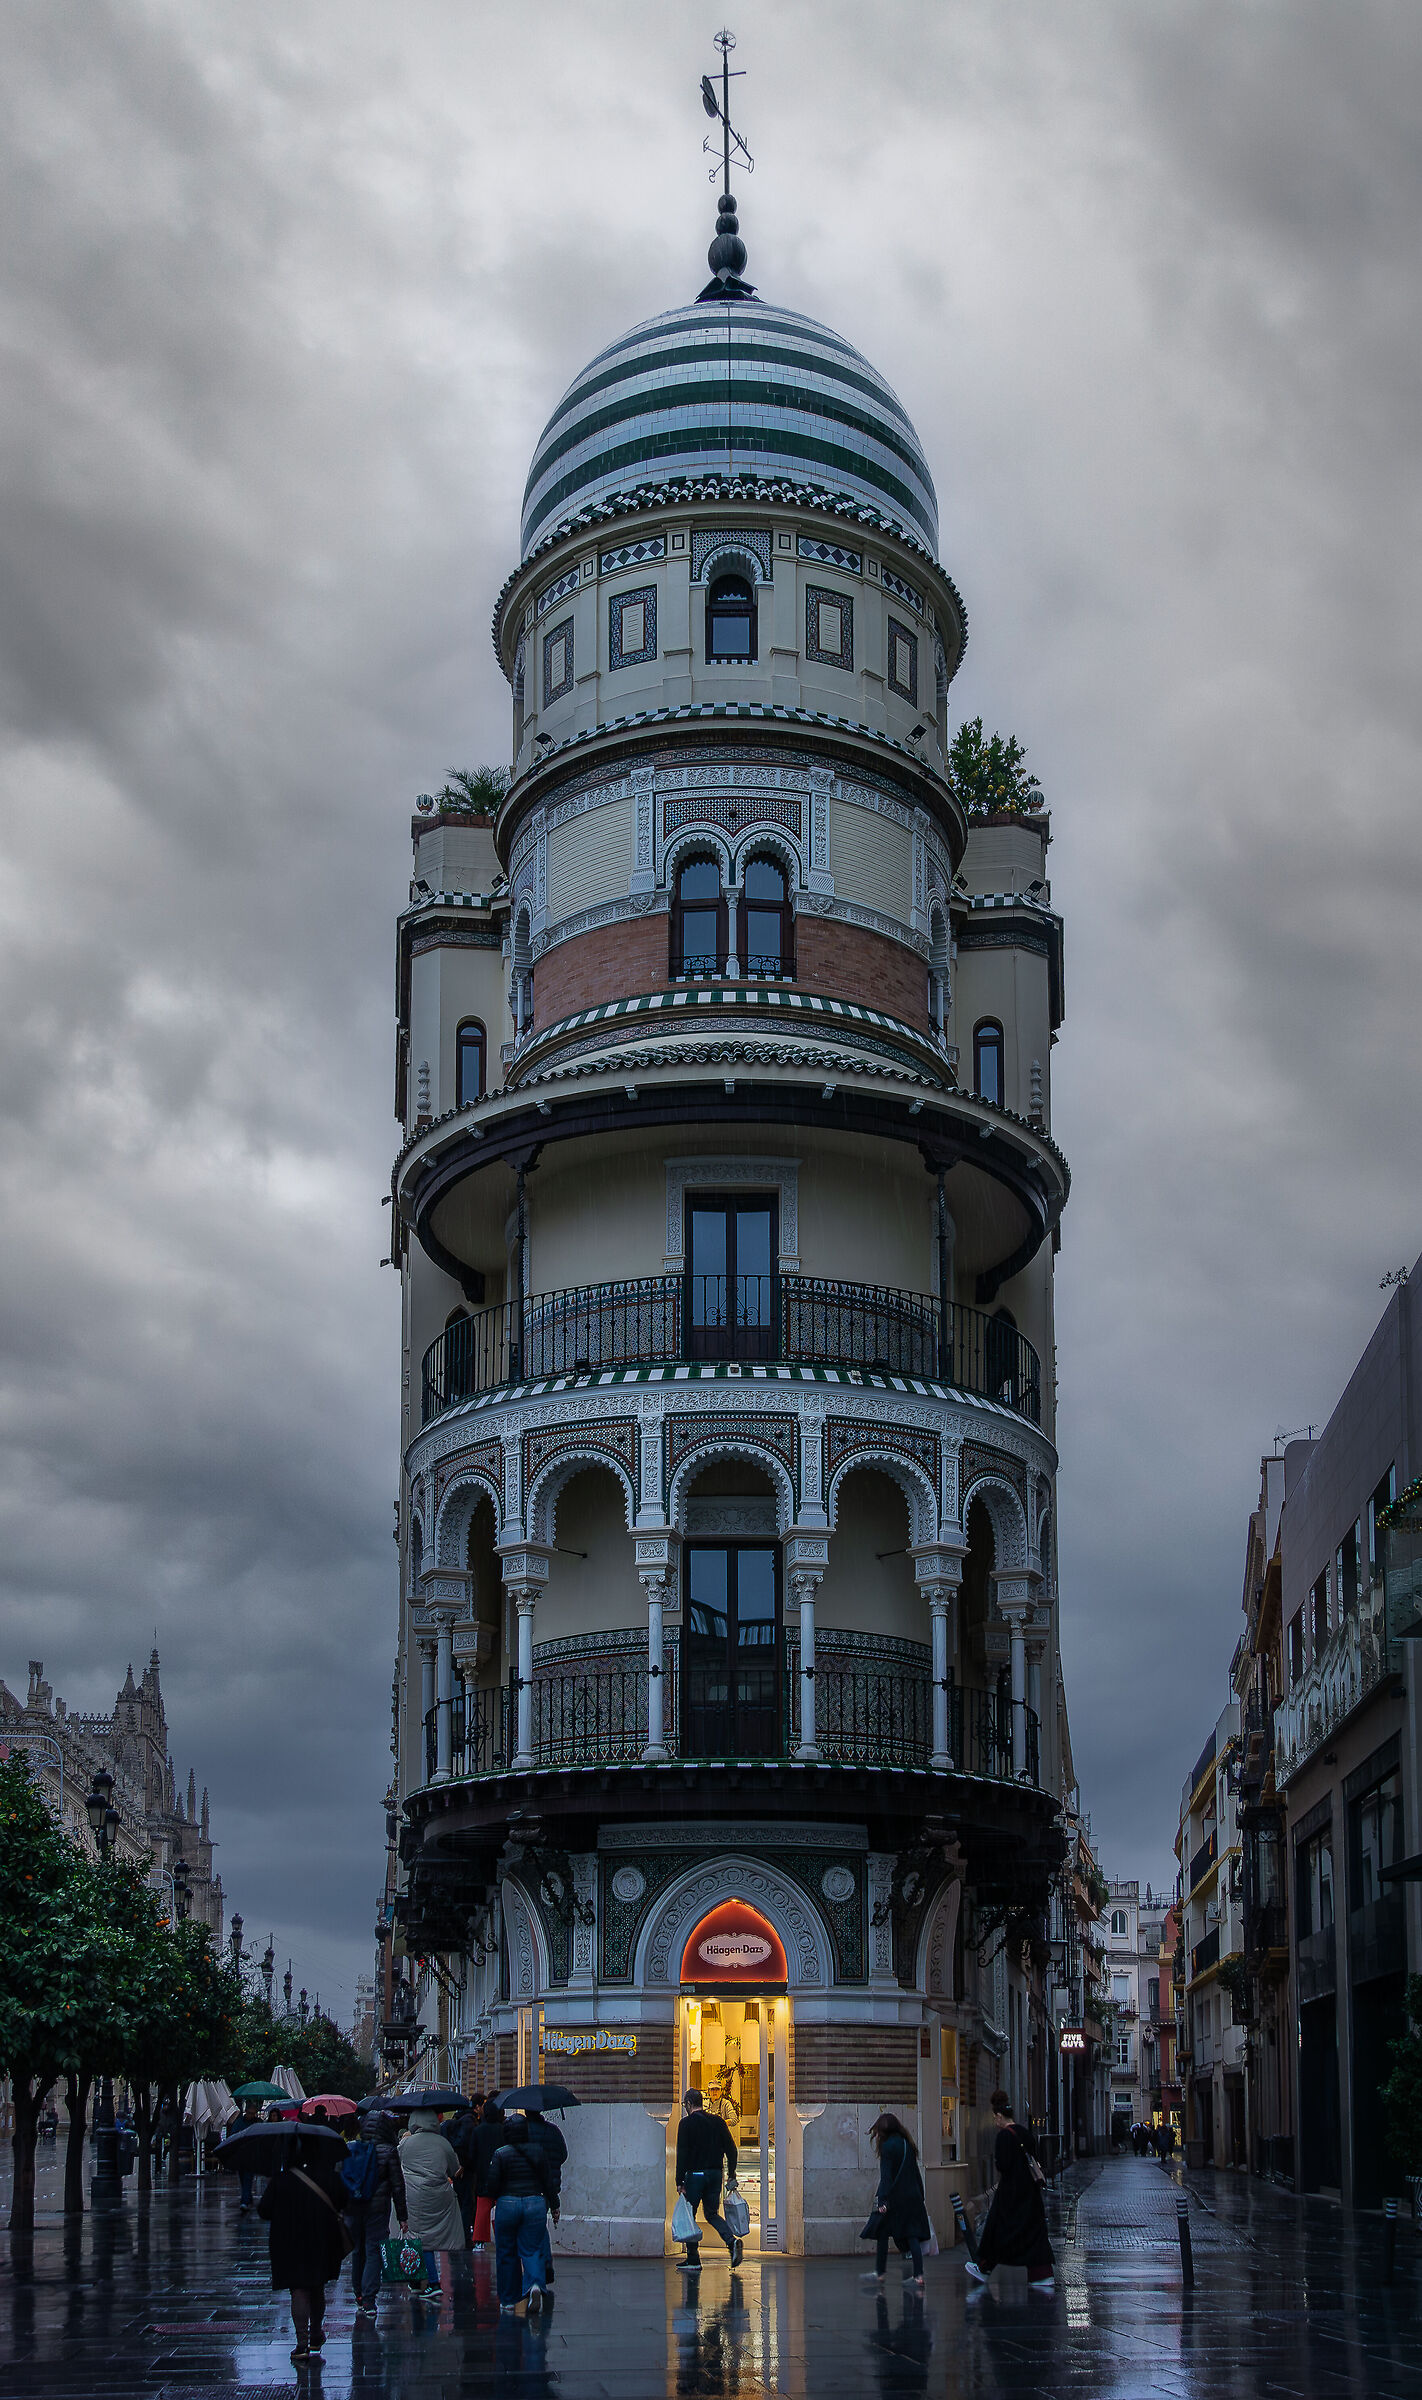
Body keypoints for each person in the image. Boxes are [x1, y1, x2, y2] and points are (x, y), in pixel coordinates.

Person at [257, 2137, 351, 2363]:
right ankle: (316, 2334)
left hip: (289, 2242)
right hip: (322, 2239)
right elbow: (343, 2200)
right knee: (317, 2285)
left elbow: (264, 2211)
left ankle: (301, 2343)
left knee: (298, 2288)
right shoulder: (329, 2176)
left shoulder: (281, 2180)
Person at [965, 2091, 1054, 2292]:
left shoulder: (1004, 2136)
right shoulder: (1025, 2133)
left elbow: (1003, 2165)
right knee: (1033, 2231)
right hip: (1030, 2191)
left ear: (998, 2116)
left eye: (994, 2118)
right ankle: (1042, 2273)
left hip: (1010, 2192)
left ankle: (984, 2266)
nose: (994, 2122)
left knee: (998, 2229)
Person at [485, 2113, 557, 2313]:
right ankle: (534, 2284)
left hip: (507, 2203)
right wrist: (555, 2204)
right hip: (535, 2202)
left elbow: (492, 2185)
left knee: (506, 2253)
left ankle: (508, 2299)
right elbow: (547, 2181)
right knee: (532, 2248)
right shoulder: (538, 2151)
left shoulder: (500, 2153)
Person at [340, 2111, 407, 2321]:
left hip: (353, 2207)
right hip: (378, 2208)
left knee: (358, 2250)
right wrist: (402, 2215)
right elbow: (398, 2185)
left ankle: (358, 2293)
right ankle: (369, 2298)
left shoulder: (352, 2148)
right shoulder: (388, 2151)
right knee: (374, 2251)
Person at [398, 2108, 465, 2302]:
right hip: (439, 2195)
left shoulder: (406, 2143)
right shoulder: (443, 2142)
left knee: (418, 2237)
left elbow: (397, 2162)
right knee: (433, 2236)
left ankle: (431, 2283)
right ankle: (420, 2281)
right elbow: (454, 2168)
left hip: (414, 2195)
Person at [861, 2112, 931, 2288]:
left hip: (895, 2199)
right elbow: (915, 2172)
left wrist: (883, 2200)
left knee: (883, 2232)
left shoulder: (887, 2147)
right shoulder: (907, 2144)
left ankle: (880, 2273)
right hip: (912, 2196)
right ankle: (918, 2276)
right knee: (911, 2235)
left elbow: (886, 2177)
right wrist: (920, 2195)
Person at [675, 2088, 741, 2270]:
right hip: (715, 2174)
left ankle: (693, 2258)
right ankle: (731, 2242)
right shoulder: (718, 2122)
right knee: (711, 2213)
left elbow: (682, 2154)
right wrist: (731, 2174)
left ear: (688, 2104)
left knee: (690, 2214)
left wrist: (679, 2181)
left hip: (695, 2175)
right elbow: (732, 2150)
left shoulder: (686, 2124)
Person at [523, 2108, 568, 2289]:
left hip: (528, 2186)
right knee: (540, 2226)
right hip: (549, 2187)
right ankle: (546, 2262)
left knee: (531, 2230)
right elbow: (563, 2155)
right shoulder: (553, 2130)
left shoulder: (523, 2132)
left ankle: (536, 2271)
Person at [471, 2098, 506, 2251]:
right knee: (502, 2207)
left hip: (483, 2173)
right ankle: (502, 2237)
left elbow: (472, 2153)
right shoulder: (502, 2129)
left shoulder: (478, 2130)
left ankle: (479, 2240)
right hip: (501, 2173)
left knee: (483, 2208)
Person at [228, 2098, 261, 2210]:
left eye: (253, 2113)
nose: (251, 2115)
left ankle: (245, 2201)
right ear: (246, 2111)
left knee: (247, 2177)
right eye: (250, 2113)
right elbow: (233, 2137)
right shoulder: (239, 2123)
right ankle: (248, 2197)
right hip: (241, 2154)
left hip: (252, 2155)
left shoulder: (258, 2122)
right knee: (243, 2178)